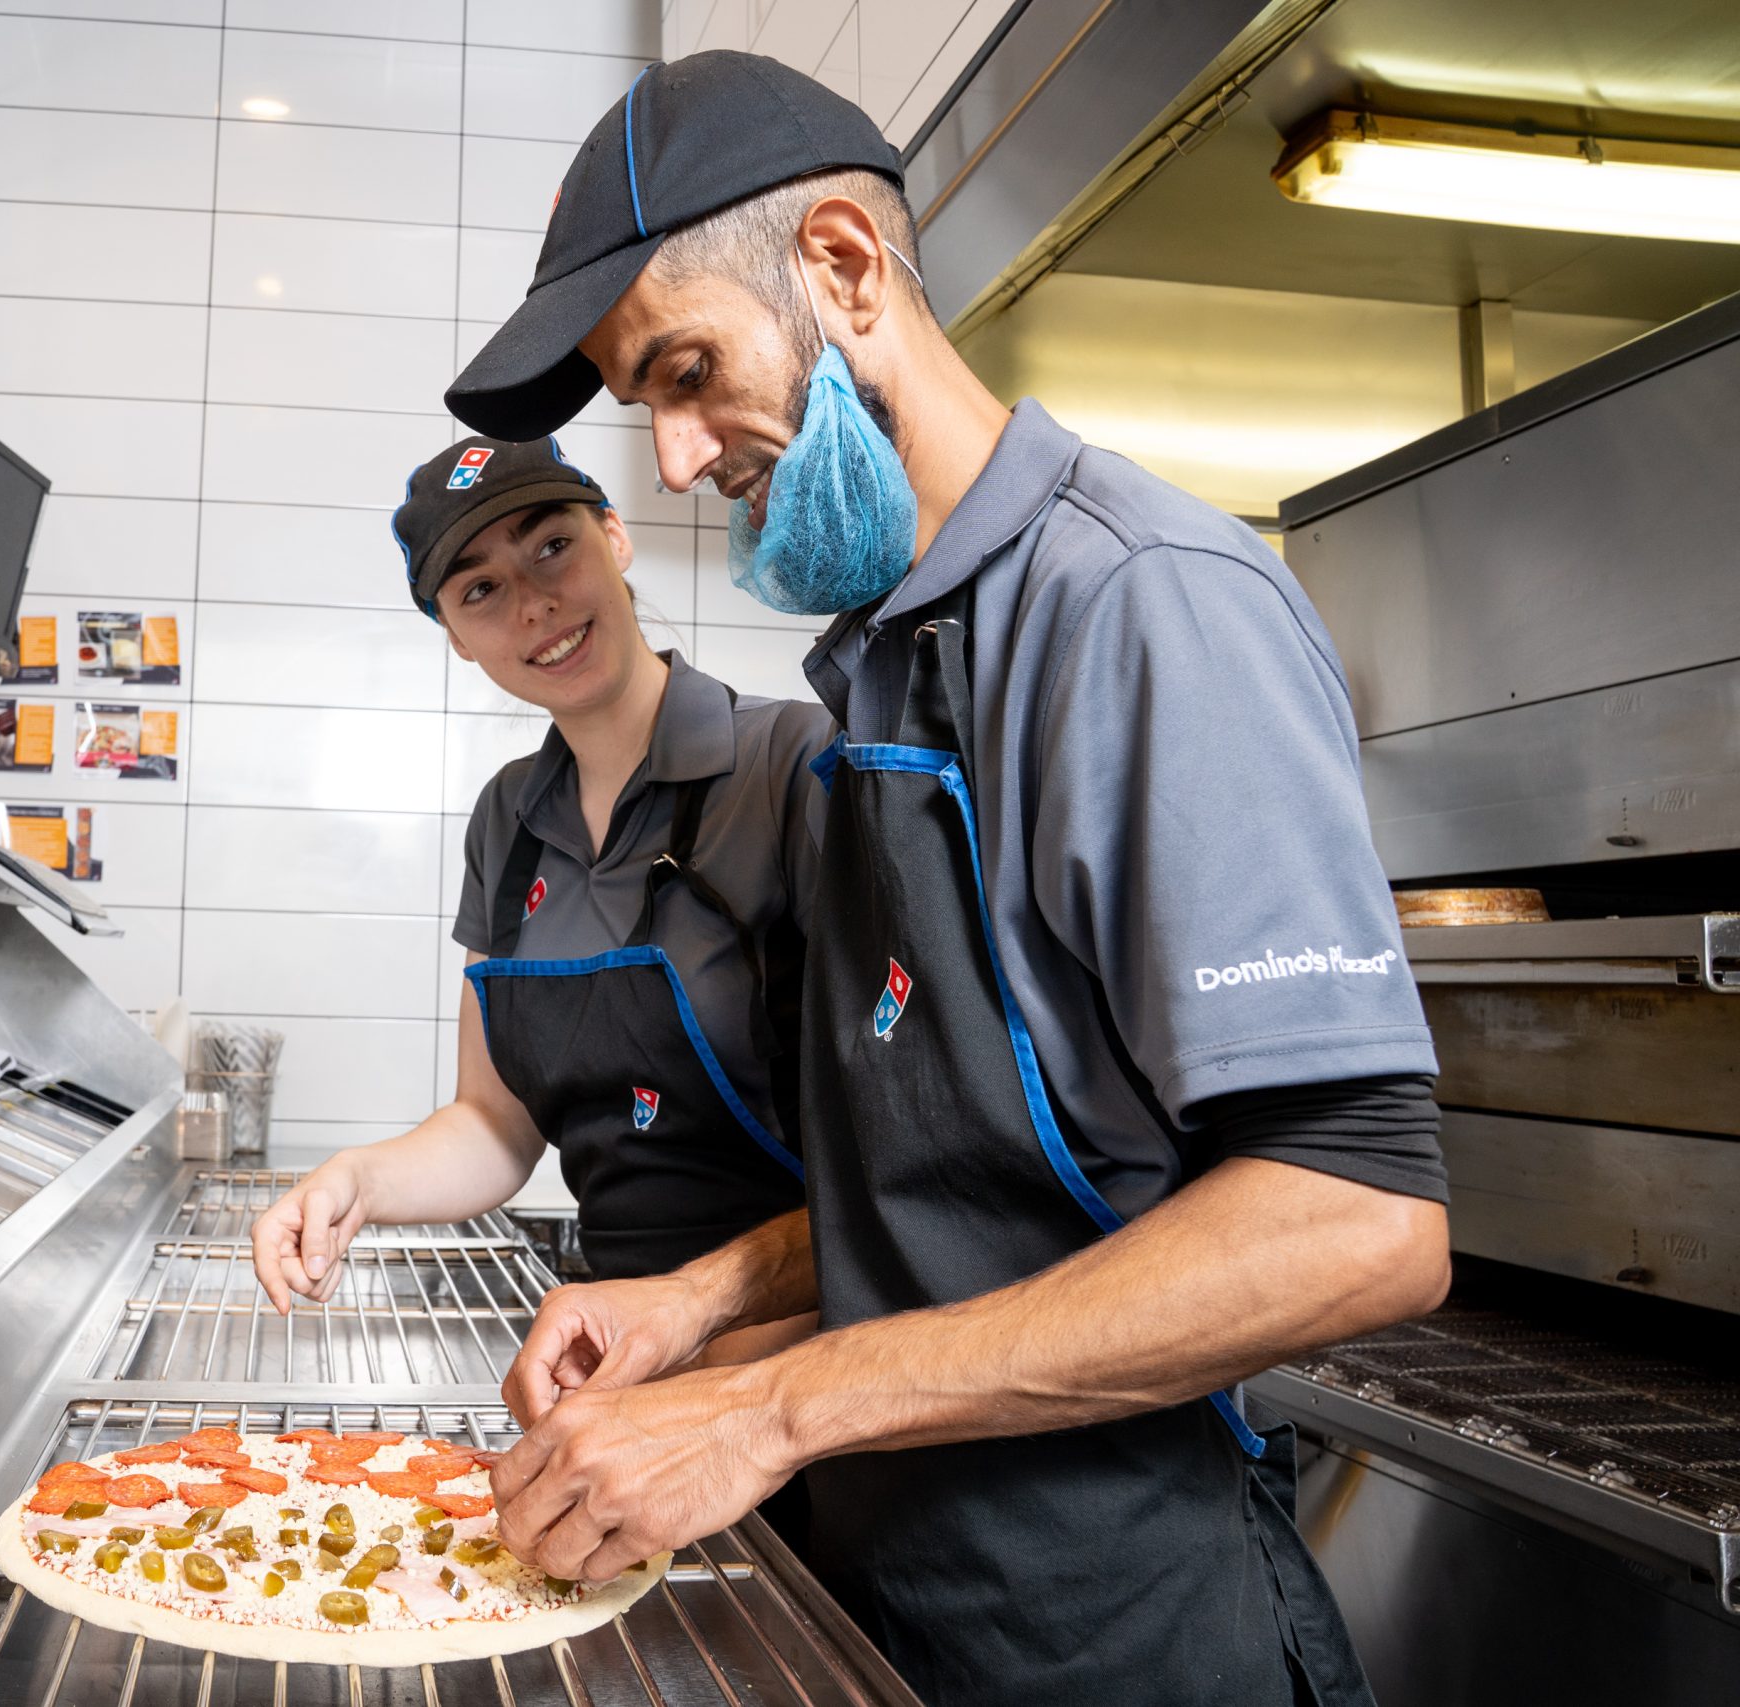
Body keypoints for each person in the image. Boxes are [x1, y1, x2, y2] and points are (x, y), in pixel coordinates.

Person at [441, 51, 1451, 1707]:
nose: (680, 460)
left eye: (691, 374)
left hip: (1126, 1622)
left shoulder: (1138, 609)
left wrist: (768, 1408)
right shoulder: (882, 682)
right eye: (649, 412)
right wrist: (699, 1304)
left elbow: (1359, 1223)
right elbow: (970, 1193)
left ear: (846, 267)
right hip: (900, 1608)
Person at [249, 435, 828, 1344]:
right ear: (456, 637)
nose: (533, 604)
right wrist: (354, 1180)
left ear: (614, 534)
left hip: (805, 1346)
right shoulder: (509, 818)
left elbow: (904, 1157)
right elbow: (493, 1123)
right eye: (480, 589)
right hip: (615, 1345)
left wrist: (718, 1357)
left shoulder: (791, 766)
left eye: (551, 545)